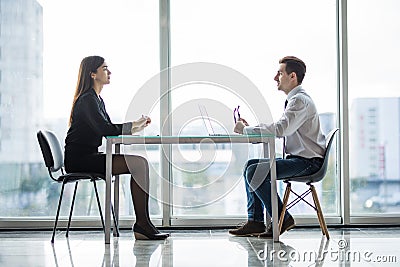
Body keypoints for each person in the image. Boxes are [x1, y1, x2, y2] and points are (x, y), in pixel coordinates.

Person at [64, 55, 169, 240]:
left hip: (87, 156)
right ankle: (143, 225)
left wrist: (136, 125)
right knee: (139, 165)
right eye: (104, 68)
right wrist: (133, 125)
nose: (109, 72)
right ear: (92, 74)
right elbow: (105, 130)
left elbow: (108, 129)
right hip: (80, 160)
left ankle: (144, 224)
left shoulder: (95, 99)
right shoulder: (88, 100)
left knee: (140, 164)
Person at [229, 56, 326, 238]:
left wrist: (246, 130)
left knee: (254, 171)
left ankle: (283, 218)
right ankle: (256, 222)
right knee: (250, 165)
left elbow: (281, 129)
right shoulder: (296, 100)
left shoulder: (299, 101)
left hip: (309, 163)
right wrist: (250, 130)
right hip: (301, 160)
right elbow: (281, 127)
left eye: (280, 73)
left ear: (292, 76)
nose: (275, 78)